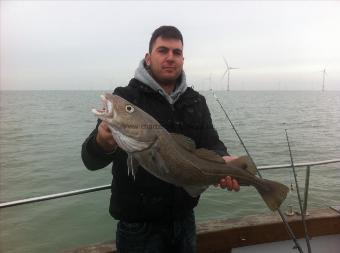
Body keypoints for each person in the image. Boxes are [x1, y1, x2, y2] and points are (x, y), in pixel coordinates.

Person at [81, 25, 240, 253]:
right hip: (137, 228)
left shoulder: (195, 101)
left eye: (176, 53)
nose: (170, 58)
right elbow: (90, 160)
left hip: (184, 221)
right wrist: (102, 143)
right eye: (162, 50)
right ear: (148, 57)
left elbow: (211, 143)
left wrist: (224, 161)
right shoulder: (125, 99)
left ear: (183, 59)